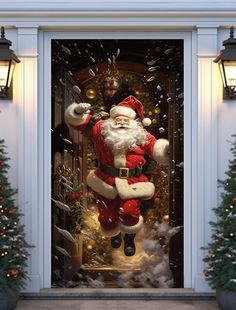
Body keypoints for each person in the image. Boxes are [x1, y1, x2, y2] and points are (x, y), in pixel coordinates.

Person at [65, 95, 169, 256]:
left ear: (133, 122)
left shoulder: (141, 134)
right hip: (106, 180)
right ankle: (114, 232)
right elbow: (77, 122)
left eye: (125, 119)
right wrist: (77, 112)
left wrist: (166, 150)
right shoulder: (101, 128)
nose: (121, 122)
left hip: (133, 182)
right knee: (106, 217)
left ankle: (129, 237)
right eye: (118, 119)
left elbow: (156, 148)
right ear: (112, 119)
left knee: (129, 212)